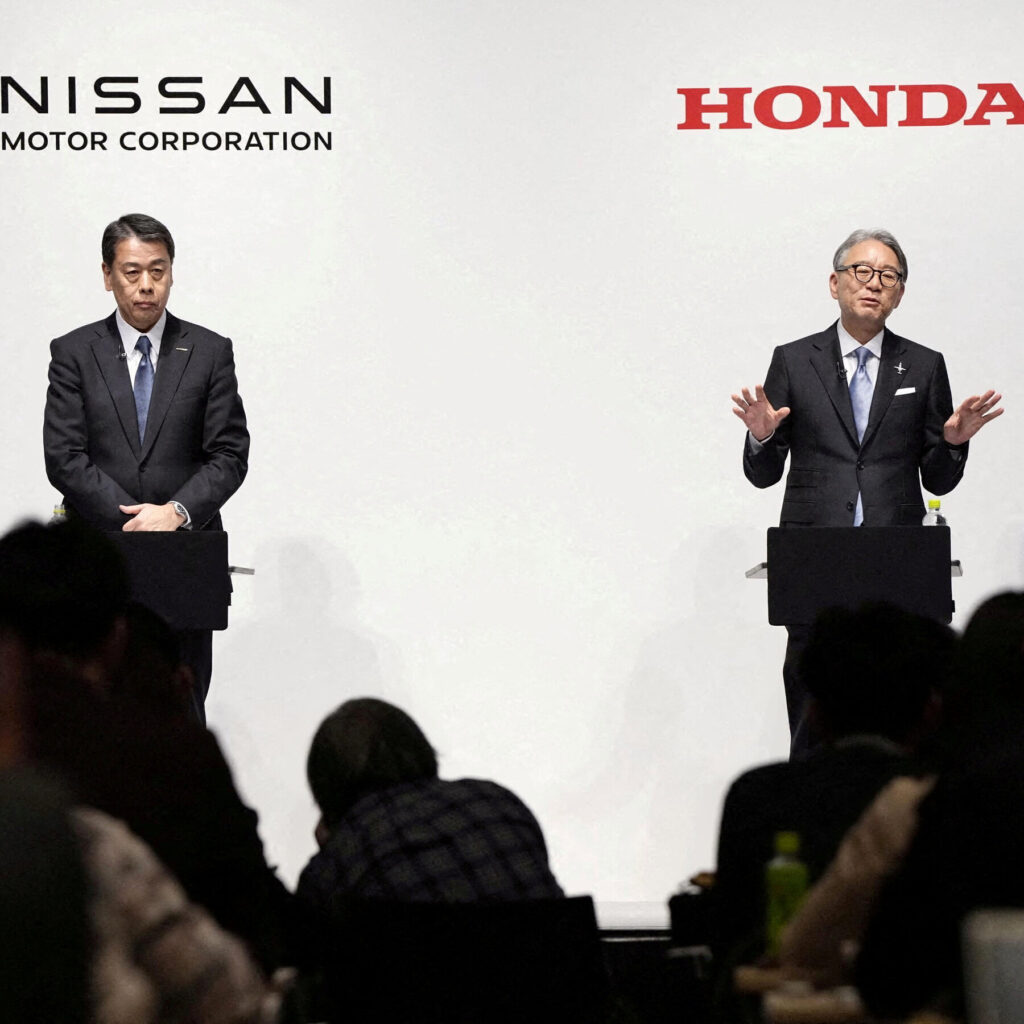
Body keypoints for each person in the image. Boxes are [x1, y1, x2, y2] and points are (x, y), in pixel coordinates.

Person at [731, 228, 1002, 753]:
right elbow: (763, 474)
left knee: (901, 719)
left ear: (900, 293)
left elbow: (937, 480)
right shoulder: (793, 360)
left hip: (896, 560)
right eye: (862, 271)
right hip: (814, 560)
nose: (874, 283)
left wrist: (952, 443)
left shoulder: (924, 364)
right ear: (835, 283)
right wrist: (761, 436)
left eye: (888, 276)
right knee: (812, 719)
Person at [43, 212, 249, 720]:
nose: (146, 286)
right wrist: (135, 521)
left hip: (184, 561)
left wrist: (175, 512)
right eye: (132, 272)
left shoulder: (209, 352)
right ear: (107, 275)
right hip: (100, 559)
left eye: (158, 271)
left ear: (172, 272)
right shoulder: (73, 352)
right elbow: (64, 456)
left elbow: (229, 453)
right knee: (91, 711)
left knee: (181, 709)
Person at [711, 603, 950, 998]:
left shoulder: (757, 795)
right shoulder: (948, 799)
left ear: (814, 713)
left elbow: (729, 949)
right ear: (931, 711)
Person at [296, 697, 564, 914]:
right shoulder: (499, 803)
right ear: (420, 748)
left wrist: (332, 850)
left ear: (325, 789)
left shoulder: (333, 868)